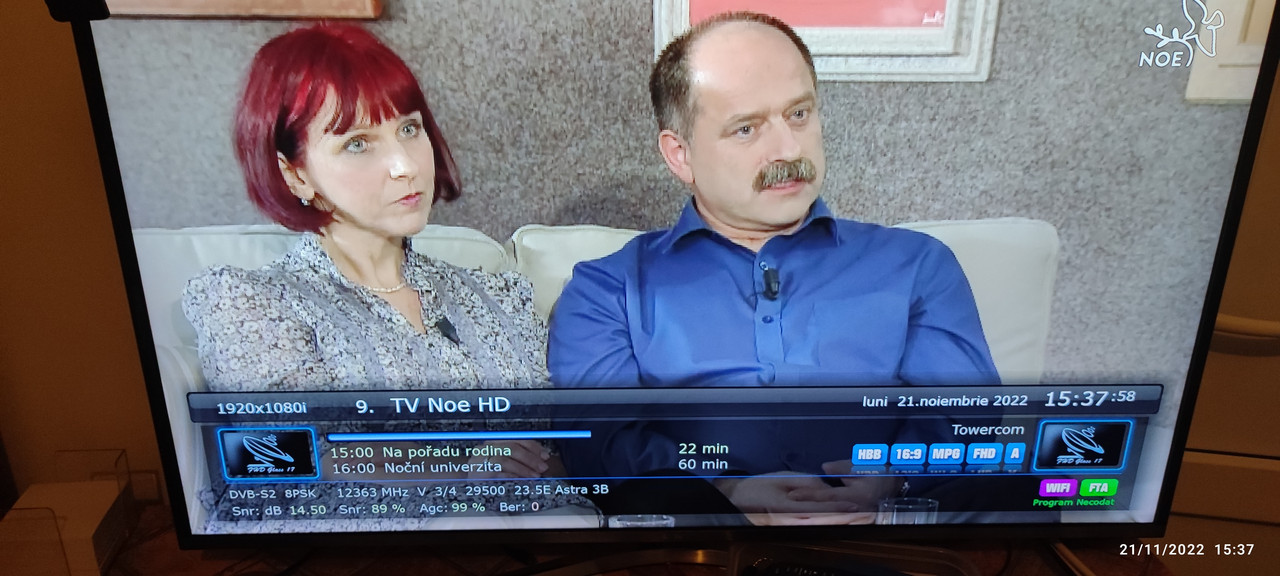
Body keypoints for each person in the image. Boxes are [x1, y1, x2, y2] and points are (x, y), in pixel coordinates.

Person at [547, 12, 1000, 525]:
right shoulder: (608, 288)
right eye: (747, 128)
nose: (788, 149)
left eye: (799, 114)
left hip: (895, 537)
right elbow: (600, 445)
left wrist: (892, 479)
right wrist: (727, 490)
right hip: (703, 546)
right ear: (680, 154)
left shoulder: (917, 264)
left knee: (1037, 491)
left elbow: (970, 420)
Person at [182, 24, 591, 523]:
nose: (405, 165)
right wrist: (458, 465)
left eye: (409, 129)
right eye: (358, 143)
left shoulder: (496, 295)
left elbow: (568, 449)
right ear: (295, 174)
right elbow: (269, 455)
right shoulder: (253, 302)